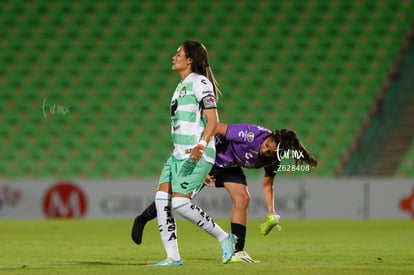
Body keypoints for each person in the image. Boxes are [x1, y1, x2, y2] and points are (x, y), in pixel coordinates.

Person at [133, 122, 318, 263]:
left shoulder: (273, 159)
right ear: (270, 136)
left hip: (229, 166)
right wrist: (201, 162)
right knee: (176, 198)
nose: (265, 149)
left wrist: (271, 210)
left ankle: (237, 252)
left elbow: (268, 184)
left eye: (270, 152)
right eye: (268, 144)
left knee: (243, 198)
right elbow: (215, 127)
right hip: (210, 158)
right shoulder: (250, 133)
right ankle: (141, 218)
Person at [150, 40, 237, 266]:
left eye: (178, 53)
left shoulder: (200, 82)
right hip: (177, 155)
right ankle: (173, 257)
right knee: (161, 200)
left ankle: (226, 238)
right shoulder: (181, 86)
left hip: (195, 153)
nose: (174, 56)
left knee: (179, 204)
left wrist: (202, 144)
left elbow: (213, 120)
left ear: (190, 59)